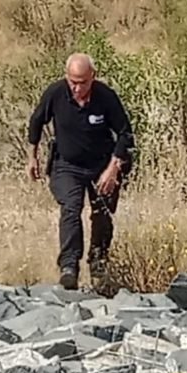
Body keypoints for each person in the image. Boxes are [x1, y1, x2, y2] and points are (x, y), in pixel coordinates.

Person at [26, 53, 135, 291]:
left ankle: (98, 262)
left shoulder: (105, 96)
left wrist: (113, 168)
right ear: (66, 77)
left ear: (92, 76)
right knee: (71, 207)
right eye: (73, 82)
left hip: (102, 165)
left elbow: (125, 133)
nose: (77, 88)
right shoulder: (56, 93)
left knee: (102, 211)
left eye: (82, 82)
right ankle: (69, 267)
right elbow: (36, 121)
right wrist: (32, 157)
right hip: (67, 164)